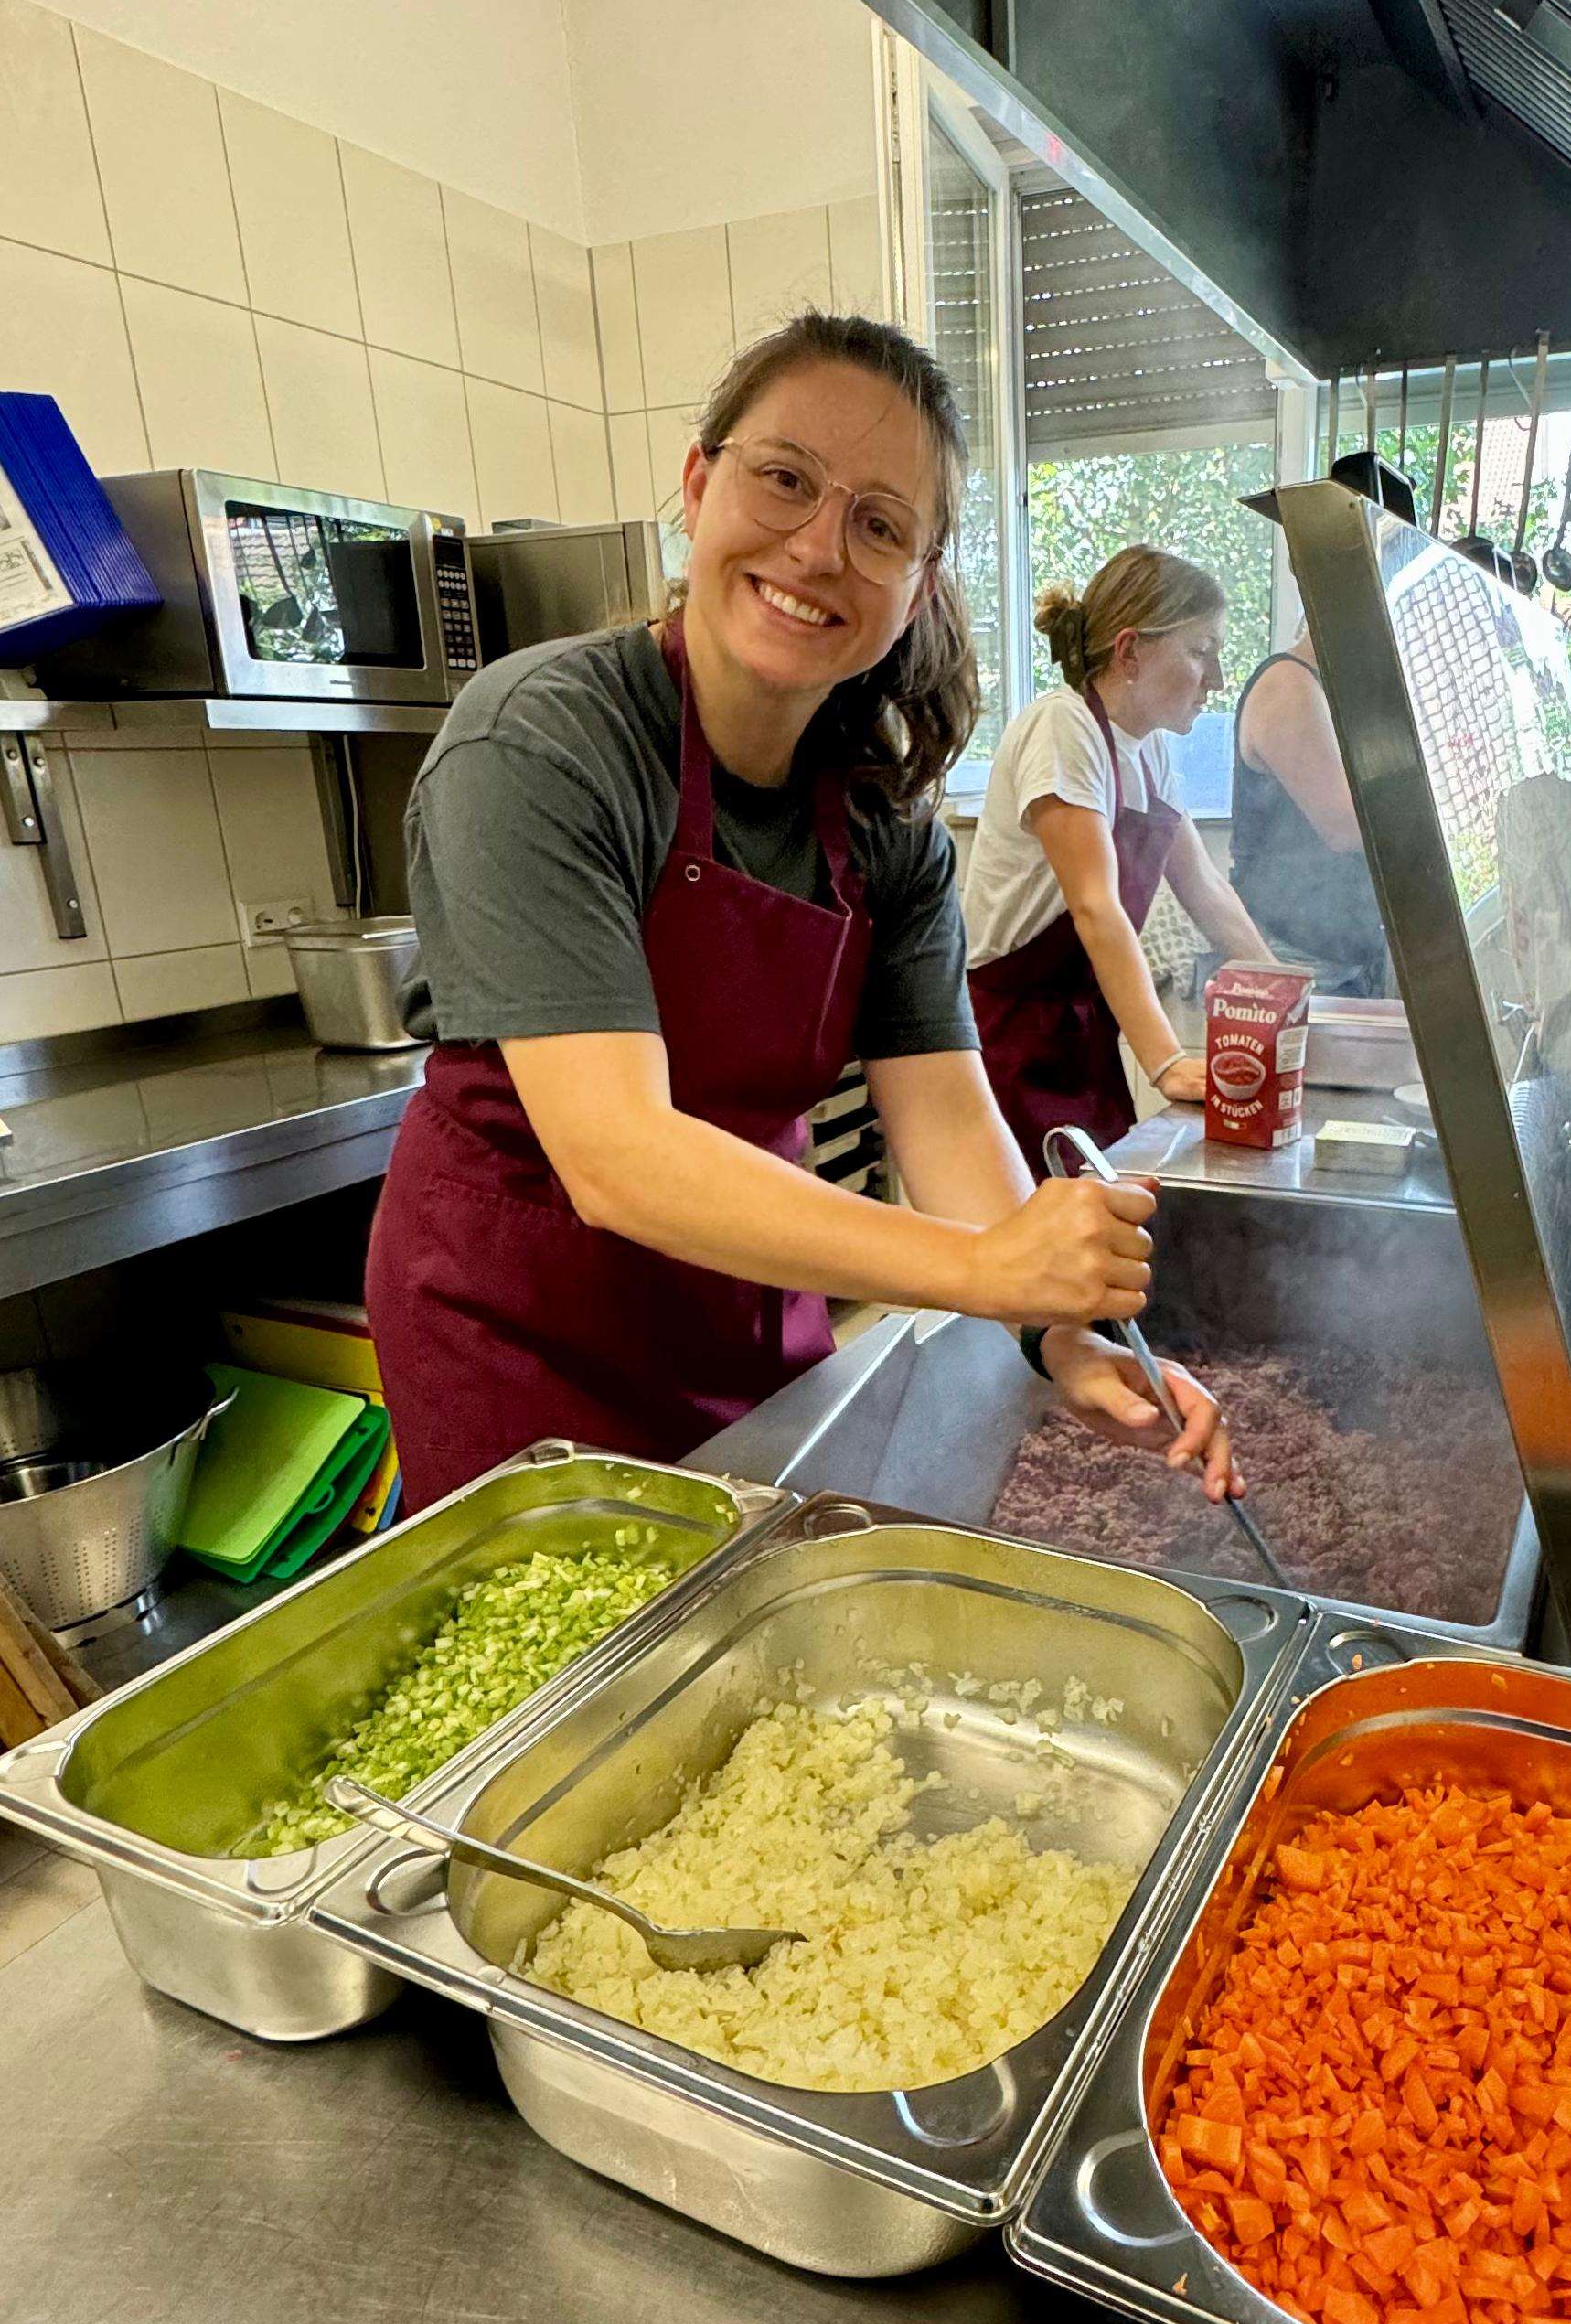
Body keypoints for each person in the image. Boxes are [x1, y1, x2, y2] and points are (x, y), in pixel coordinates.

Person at [366, 310, 1239, 1515]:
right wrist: (990, 1268)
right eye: (784, 479)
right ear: (698, 485)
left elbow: (946, 1120)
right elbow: (616, 1156)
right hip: (523, 1343)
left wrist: (1061, 1340)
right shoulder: (542, 740)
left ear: (918, 586)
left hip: (747, 1325)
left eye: (880, 525)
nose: (820, 548)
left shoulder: (885, 822)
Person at [964, 547, 1274, 1173]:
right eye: (1201, 650)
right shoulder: (1063, 728)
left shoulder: (1150, 751)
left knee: (1101, 1204)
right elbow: (1095, 907)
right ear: (1130, 651)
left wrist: (1285, 994)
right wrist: (1166, 1062)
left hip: (1081, 1034)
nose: (1216, 679)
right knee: (1037, 1215)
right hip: (1012, 1037)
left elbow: (1205, 889)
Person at [1229, 623, 1394, 996]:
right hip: (1291, 958)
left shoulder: (1338, 692)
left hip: (1350, 959)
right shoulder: (1288, 684)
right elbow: (1345, 828)